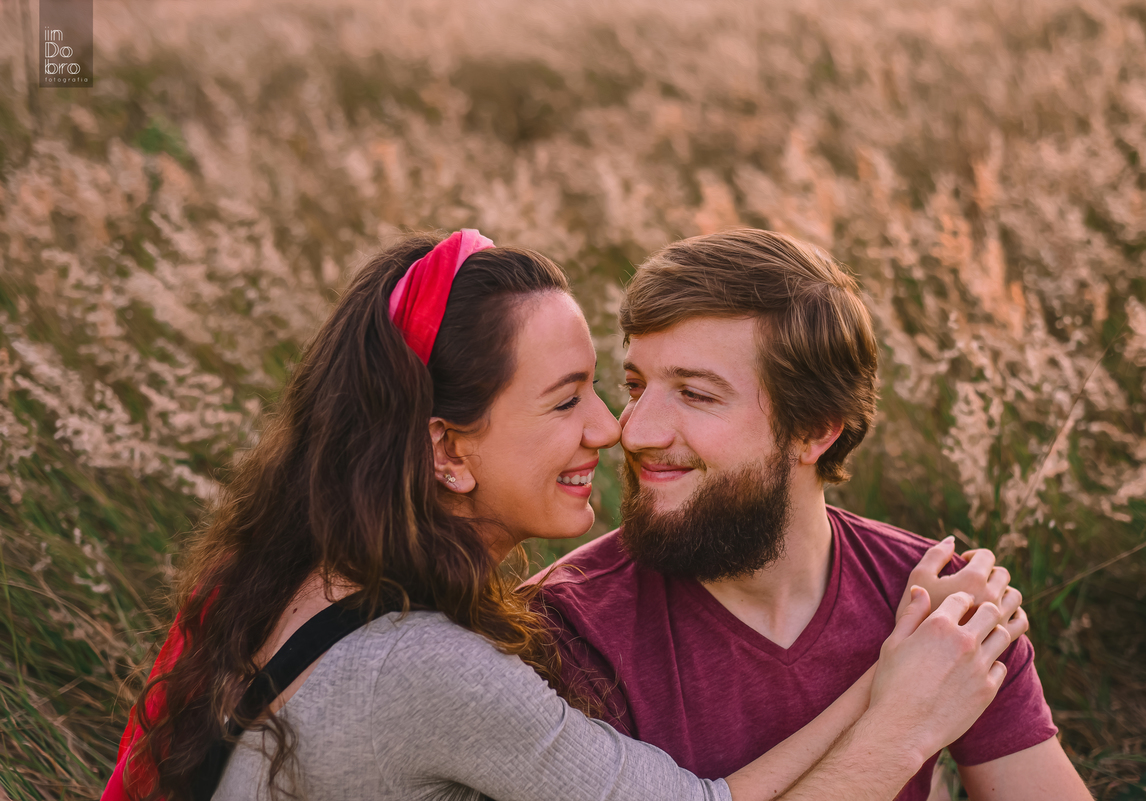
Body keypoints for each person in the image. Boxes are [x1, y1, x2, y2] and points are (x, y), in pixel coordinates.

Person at [105, 230, 1025, 801]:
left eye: (601, 388)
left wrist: (900, 676)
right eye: (568, 398)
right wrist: (902, 710)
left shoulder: (325, 587)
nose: (614, 427)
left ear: (816, 430)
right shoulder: (426, 665)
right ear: (445, 451)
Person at [533, 228, 1094, 801]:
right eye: (635, 386)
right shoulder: (560, 631)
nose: (634, 432)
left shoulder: (943, 606)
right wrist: (900, 718)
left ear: (814, 430)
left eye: (695, 394)